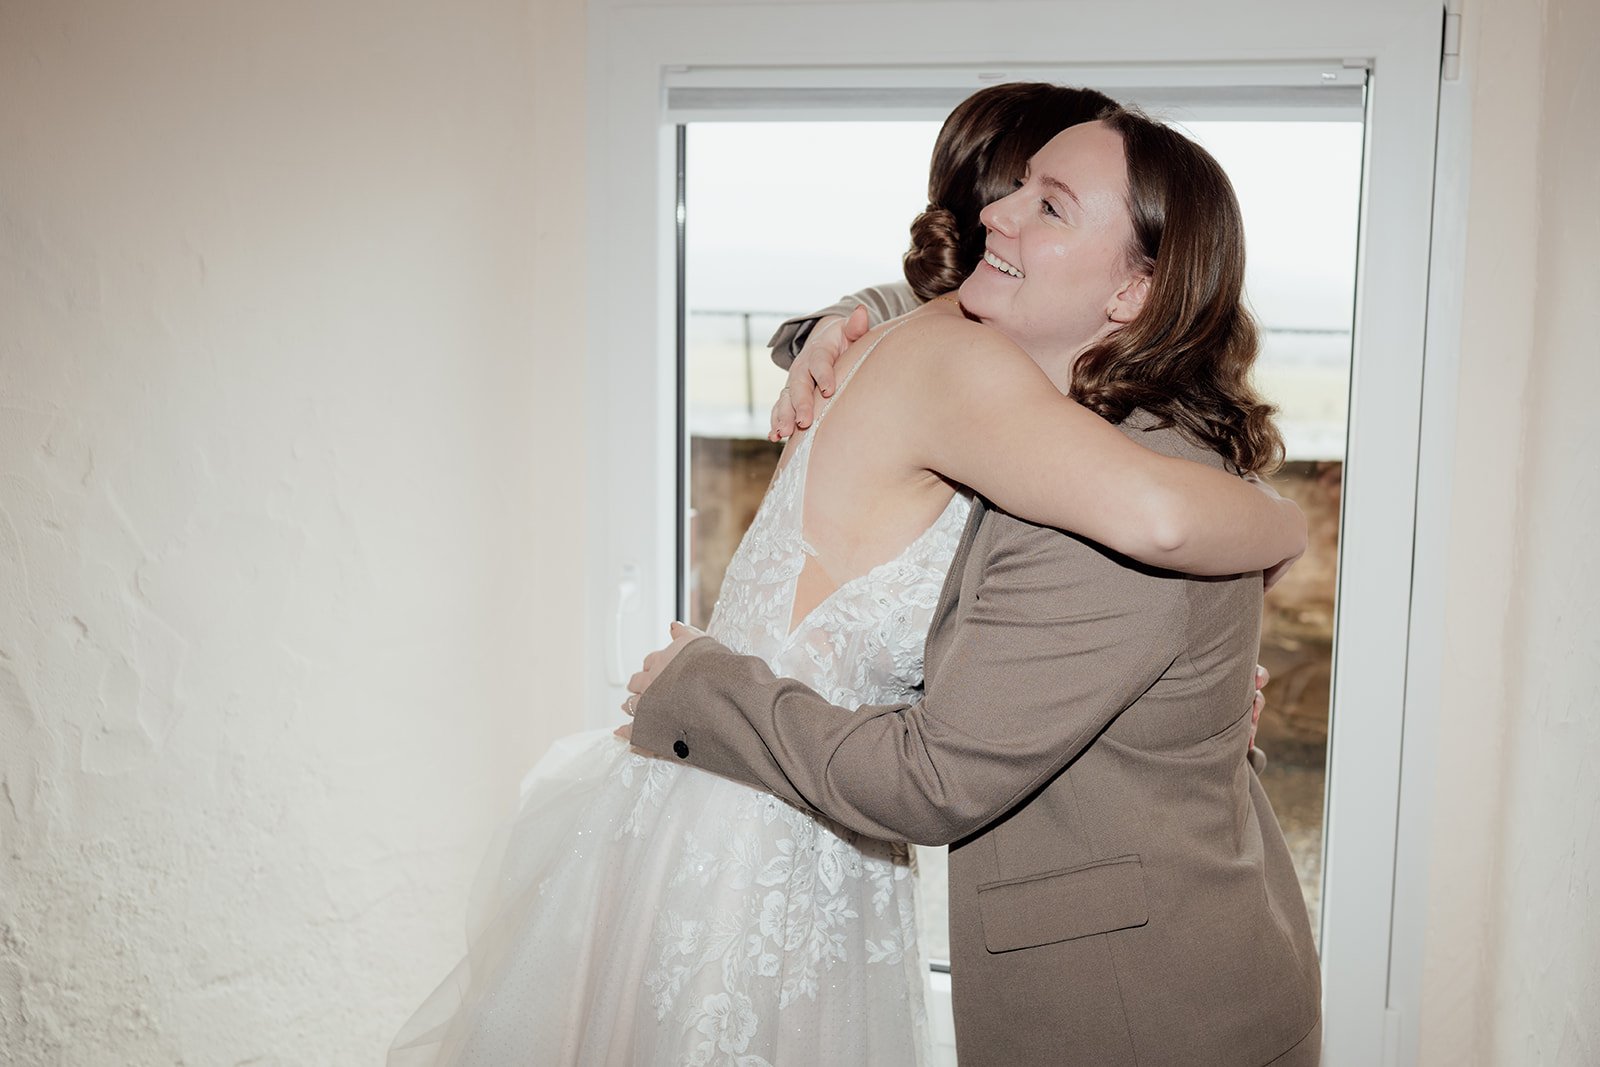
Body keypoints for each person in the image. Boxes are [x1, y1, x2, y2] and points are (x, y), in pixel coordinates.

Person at [390, 84, 1304, 1066]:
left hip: (849, 848)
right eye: (1016, 193)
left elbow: (1123, 556)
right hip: (769, 822)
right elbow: (1147, 524)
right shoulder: (972, 374)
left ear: (1129, 288)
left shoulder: (987, 386)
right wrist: (1281, 524)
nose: (1003, 218)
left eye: (1048, 202)